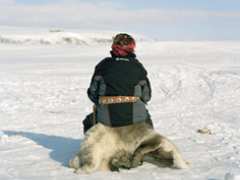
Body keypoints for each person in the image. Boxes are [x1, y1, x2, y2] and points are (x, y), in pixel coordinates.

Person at [83, 33, 153, 133]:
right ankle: (147, 142)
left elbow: (93, 93)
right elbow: (146, 96)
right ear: (132, 47)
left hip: (106, 121)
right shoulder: (137, 67)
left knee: (89, 120)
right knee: (146, 116)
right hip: (136, 121)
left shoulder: (103, 65)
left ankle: (95, 144)